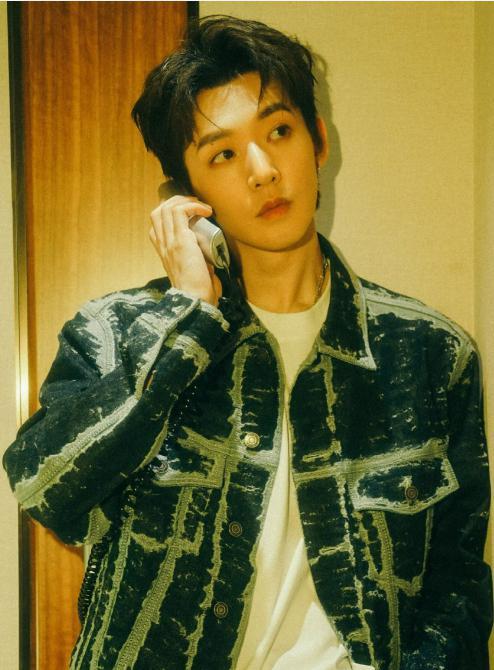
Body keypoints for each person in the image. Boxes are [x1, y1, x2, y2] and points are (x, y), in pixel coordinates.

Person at [3, 15, 492, 670]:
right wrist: (186, 322)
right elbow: (48, 493)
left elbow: (457, 587)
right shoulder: (114, 334)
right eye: (223, 154)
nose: (262, 171)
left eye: (278, 132)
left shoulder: (430, 353)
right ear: (187, 195)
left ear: (318, 141)